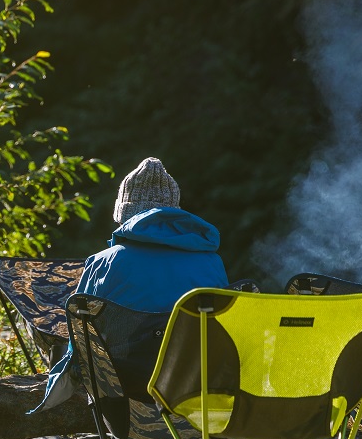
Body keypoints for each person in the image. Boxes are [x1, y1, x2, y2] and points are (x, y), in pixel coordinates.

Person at [33, 156, 228, 411]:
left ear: (124, 215)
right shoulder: (212, 263)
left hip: (124, 395)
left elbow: (79, 340)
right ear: (172, 214)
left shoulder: (104, 262)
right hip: (196, 389)